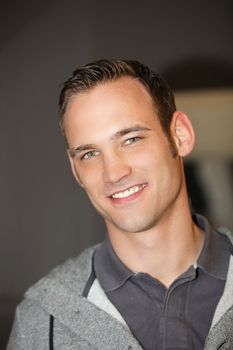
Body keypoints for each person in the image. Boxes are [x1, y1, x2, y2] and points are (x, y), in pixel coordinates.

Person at [7, 59, 233, 350]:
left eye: (131, 139)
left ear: (180, 135)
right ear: (75, 170)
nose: (113, 173)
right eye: (89, 154)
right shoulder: (40, 320)